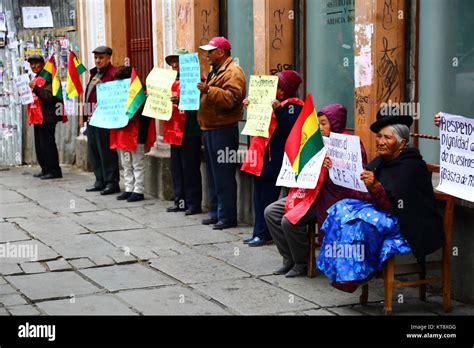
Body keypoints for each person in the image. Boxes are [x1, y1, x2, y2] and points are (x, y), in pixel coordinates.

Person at [317, 107, 444, 293]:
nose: (381, 142)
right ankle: (342, 271)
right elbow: (360, 192)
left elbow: (394, 206)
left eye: (387, 138)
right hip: (384, 213)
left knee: (359, 224)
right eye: (378, 136)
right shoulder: (381, 161)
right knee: (339, 210)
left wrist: (376, 187)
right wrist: (336, 169)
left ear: (402, 143)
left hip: (409, 223)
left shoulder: (411, 166)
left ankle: (357, 273)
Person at [264, 104, 369, 277]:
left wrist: (331, 169)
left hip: (330, 198)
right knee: (271, 212)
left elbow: (354, 181)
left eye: (324, 124)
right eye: (318, 124)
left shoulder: (349, 144)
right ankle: (288, 258)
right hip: (308, 193)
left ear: (335, 124)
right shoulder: (316, 141)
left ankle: (301, 262)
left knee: (289, 221)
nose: (320, 128)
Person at [241, 70, 304, 247]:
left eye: (275, 86)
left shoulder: (295, 106)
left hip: (275, 160)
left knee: (268, 198)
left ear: (283, 91)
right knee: (258, 196)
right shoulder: (272, 103)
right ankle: (257, 231)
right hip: (260, 158)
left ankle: (265, 234)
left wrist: (278, 110)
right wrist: (251, 106)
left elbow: (290, 131)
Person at [197, 37, 247, 230]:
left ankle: (227, 217)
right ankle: (216, 212)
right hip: (210, 128)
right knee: (213, 174)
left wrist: (209, 90)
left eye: (211, 51)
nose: (207, 55)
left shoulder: (234, 71)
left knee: (223, 174)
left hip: (224, 129)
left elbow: (232, 99)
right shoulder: (214, 71)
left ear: (221, 52)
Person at [164, 48, 203, 215]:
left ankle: (194, 204)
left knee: (190, 169)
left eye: (177, 61)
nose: (174, 65)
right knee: (177, 169)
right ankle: (180, 201)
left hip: (190, 131)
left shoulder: (197, 80)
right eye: (172, 62)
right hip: (173, 130)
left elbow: (201, 103)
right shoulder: (169, 81)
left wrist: (182, 100)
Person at [109, 65, 156, 202]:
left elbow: (146, 118)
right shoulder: (118, 96)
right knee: (126, 163)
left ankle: (138, 190)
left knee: (137, 163)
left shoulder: (142, 96)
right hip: (122, 134)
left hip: (136, 135)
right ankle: (129, 188)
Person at [84, 46, 120, 195]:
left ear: (109, 58)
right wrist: (86, 117)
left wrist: (104, 87)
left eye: (101, 58)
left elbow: (117, 93)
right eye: (96, 58)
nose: (98, 61)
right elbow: (88, 97)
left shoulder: (114, 73)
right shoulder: (94, 73)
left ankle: (112, 183)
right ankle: (100, 180)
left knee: (106, 151)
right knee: (94, 151)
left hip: (105, 118)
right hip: (92, 118)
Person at [27, 55, 63, 180]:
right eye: (31, 64)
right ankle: (45, 169)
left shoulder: (48, 77)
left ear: (42, 64)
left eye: (36, 63)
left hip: (47, 117)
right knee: (40, 144)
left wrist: (35, 88)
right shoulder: (37, 78)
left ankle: (54, 170)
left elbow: (49, 97)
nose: (33, 66)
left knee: (47, 144)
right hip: (38, 116)